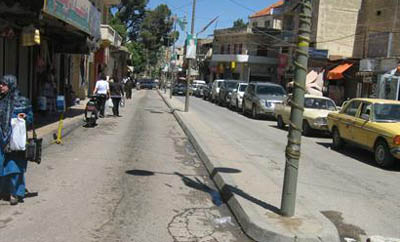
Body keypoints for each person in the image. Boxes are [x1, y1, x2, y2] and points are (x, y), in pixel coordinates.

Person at [0, 75, 33, 205]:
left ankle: (15, 192)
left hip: (15, 140)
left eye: (4, 84)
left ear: (11, 85)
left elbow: (31, 119)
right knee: (2, 165)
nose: (1, 86)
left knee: (14, 166)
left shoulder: (22, 102)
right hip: (1, 138)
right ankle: (4, 191)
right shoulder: (1, 100)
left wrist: (25, 118)